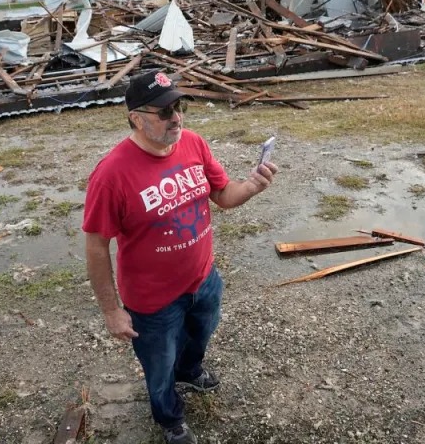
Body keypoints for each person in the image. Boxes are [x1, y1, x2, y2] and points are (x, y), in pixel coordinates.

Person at [82, 70, 279, 444]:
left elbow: (222, 195)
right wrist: (111, 310)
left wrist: (253, 185)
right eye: (164, 111)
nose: (176, 117)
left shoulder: (194, 144)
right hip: (152, 302)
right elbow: (96, 245)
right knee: (159, 368)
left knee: (200, 336)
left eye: (179, 106)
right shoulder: (111, 175)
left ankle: (189, 371)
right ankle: (170, 418)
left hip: (203, 280)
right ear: (136, 118)